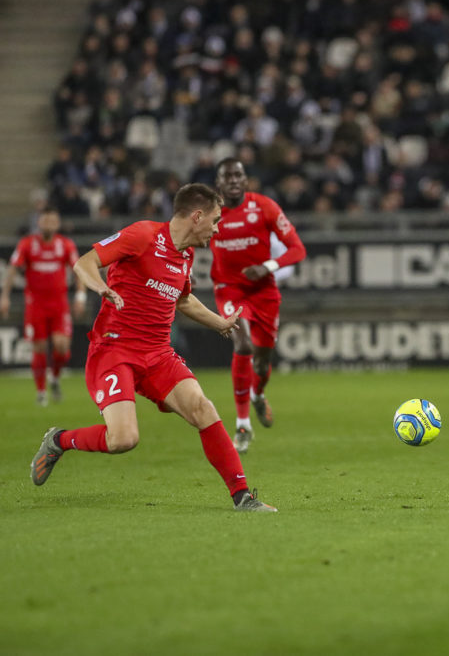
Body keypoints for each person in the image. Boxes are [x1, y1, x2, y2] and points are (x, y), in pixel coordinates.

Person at [29, 183, 276, 512]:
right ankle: (59, 440)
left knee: (203, 409)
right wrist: (102, 288)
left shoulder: (185, 255)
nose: (217, 229)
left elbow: (183, 299)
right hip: (115, 351)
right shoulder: (143, 234)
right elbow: (84, 264)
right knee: (123, 440)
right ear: (197, 216)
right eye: (215, 221)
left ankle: (242, 496)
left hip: (159, 354)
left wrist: (220, 322)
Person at [211, 158, 306, 453]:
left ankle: (257, 395)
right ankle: (243, 425)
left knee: (263, 361)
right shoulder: (210, 213)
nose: (234, 181)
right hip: (229, 290)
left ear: (245, 179)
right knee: (242, 345)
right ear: (219, 183)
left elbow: (297, 249)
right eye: (227, 177)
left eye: (238, 175)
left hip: (264, 291)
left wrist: (267, 266)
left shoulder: (263, 206)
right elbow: (186, 241)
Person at [1, 207, 87, 406]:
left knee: (62, 348)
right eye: (45, 221)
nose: (49, 224)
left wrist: (80, 297)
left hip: (59, 304)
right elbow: (12, 270)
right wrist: (4, 297)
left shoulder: (65, 245)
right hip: (36, 305)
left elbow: (78, 271)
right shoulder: (27, 244)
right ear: (39, 223)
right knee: (39, 347)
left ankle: (55, 378)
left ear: (57, 224)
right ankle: (41, 392)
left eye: (52, 221)